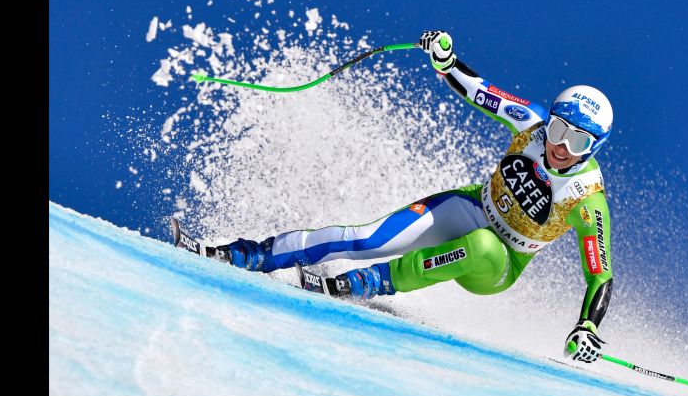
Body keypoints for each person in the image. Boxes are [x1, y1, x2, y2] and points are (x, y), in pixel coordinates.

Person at [213, 31, 614, 364]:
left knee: (481, 245)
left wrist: (588, 326)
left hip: (499, 262)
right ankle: (254, 254)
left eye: (578, 141)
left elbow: (601, 274)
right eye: (559, 129)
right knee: (367, 238)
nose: (561, 146)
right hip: (472, 207)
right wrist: (446, 61)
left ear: (594, 148)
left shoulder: (586, 198)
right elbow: (480, 91)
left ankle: (373, 281)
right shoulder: (532, 123)